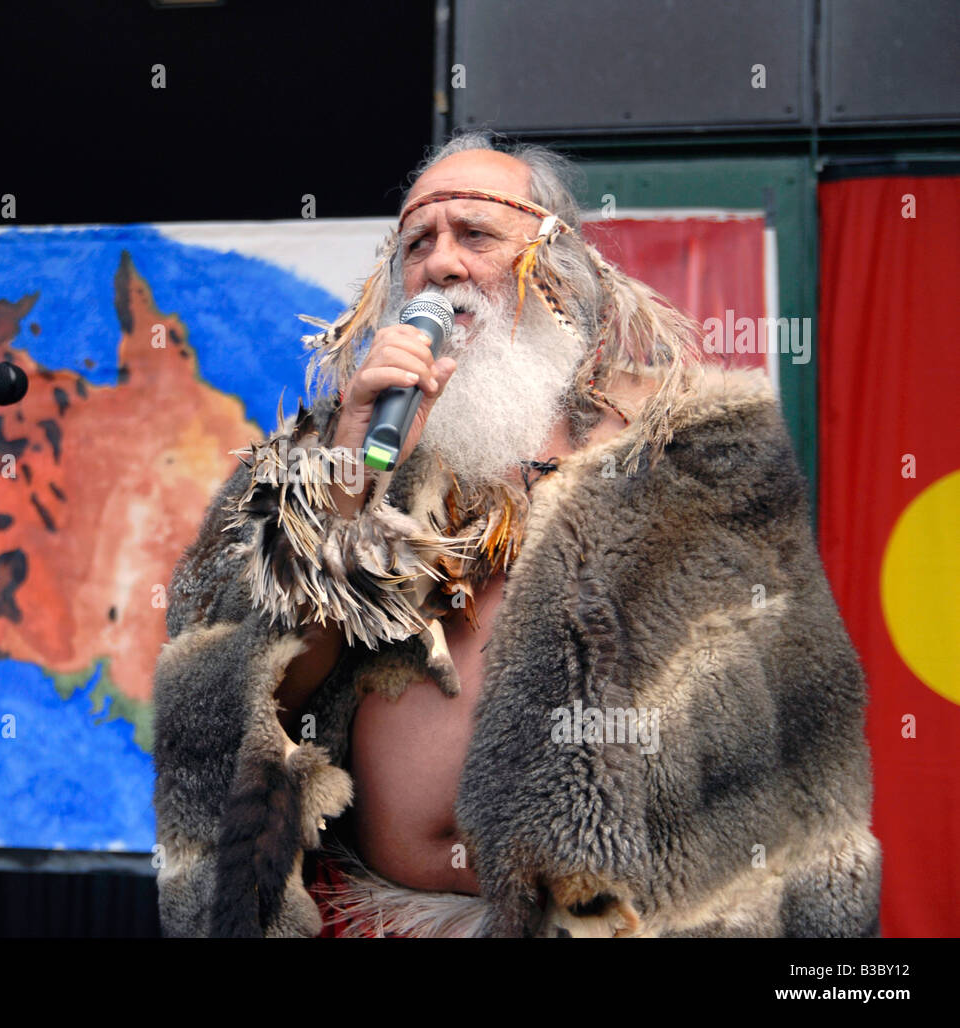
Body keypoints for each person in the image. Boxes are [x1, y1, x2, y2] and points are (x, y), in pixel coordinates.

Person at [151, 133, 881, 938]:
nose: (444, 264)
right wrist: (343, 477)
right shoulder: (324, 458)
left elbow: (802, 729)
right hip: (375, 917)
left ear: (557, 265)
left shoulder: (693, 454)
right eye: (417, 243)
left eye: (477, 235)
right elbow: (241, 699)